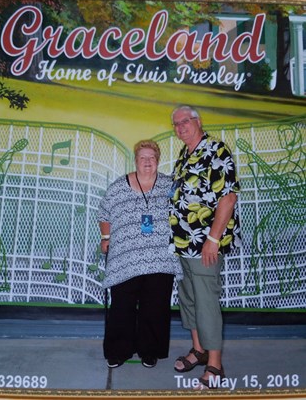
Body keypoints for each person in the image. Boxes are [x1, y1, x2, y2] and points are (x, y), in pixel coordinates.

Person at [168, 106, 241, 389]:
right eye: (175, 124)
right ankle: (198, 350)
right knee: (189, 299)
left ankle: (215, 364)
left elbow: (228, 198)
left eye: (185, 122)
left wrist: (213, 239)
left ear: (198, 122)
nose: (180, 127)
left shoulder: (216, 150)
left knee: (207, 303)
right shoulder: (184, 155)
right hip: (182, 244)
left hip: (204, 245)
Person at [98, 139, 183, 369]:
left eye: (152, 158)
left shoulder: (170, 185)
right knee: (122, 306)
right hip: (125, 258)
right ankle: (118, 351)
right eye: (142, 158)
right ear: (135, 160)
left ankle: (150, 350)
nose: (147, 162)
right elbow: (104, 213)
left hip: (160, 259)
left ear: (158, 161)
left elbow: (186, 210)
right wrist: (106, 238)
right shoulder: (118, 186)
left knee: (155, 306)